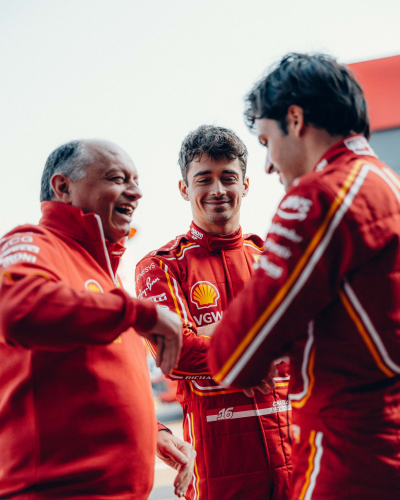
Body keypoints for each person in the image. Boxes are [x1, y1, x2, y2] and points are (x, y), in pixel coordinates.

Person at [208, 53, 400, 500]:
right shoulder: (386, 182)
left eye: (265, 141)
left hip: (345, 457)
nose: (268, 164)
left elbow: (234, 358)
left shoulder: (319, 196)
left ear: (294, 120)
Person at [0, 139, 194, 499]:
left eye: (136, 181)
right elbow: (18, 309)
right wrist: (140, 312)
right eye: (118, 179)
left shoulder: (106, 275)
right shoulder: (33, 244)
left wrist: (154, 433)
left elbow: (91, 382)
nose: (136, 192)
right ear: (63, 187)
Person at [136, 125, 292, 500]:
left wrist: (215, 339)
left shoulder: (276, 258)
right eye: (204, 179)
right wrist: (263, 344)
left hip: (297, 464)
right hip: (218, 474)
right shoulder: (159, 266)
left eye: (229, 177)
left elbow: (313, 339)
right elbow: (178, 355)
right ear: (184, 188)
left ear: (246, 184)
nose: (218, 189)